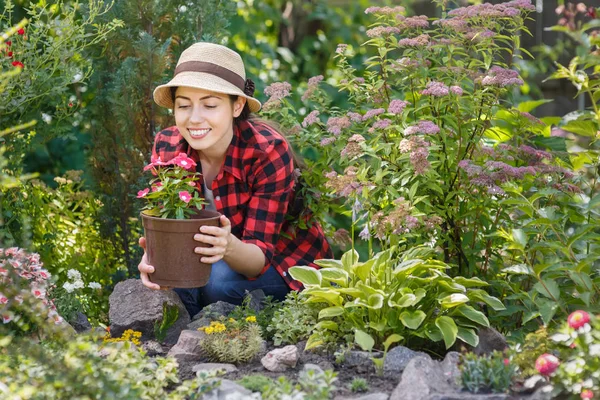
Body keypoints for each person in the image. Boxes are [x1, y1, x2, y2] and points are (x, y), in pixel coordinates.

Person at [137, 42, 332, 318]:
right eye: (184, 105)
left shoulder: (266, 151)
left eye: (210, 105)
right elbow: (168, 228)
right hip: (207, 258)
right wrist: (156, 258)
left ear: (237, 106)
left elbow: (256, 260)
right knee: (171, 282)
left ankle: (245, 329)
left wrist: (227, 245)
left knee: (217, 284)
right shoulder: (168, 146)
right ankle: (189, 340)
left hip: (282, 260)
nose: (194, 118)